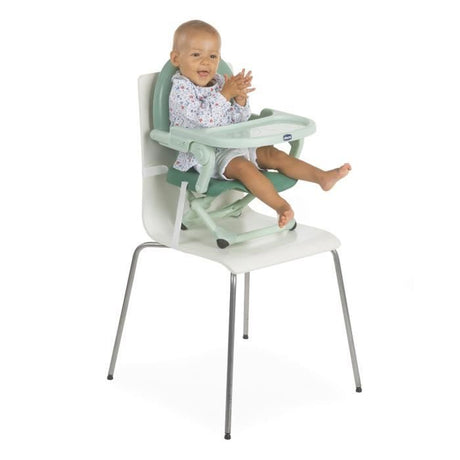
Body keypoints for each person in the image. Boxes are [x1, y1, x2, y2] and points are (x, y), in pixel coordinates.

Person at [169, 20, 351, 228]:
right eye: (196, 55)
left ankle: (322, 177)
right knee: (244, 167)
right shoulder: (181, 90)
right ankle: (281, 206)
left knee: (273, 154)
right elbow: (204, 119)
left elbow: (238, 121)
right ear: (176, 58)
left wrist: (240, 100)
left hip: (233, 142)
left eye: (213, 56)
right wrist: (226, 94)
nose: (206, 62)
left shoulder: (220, 82)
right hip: (206, 153)